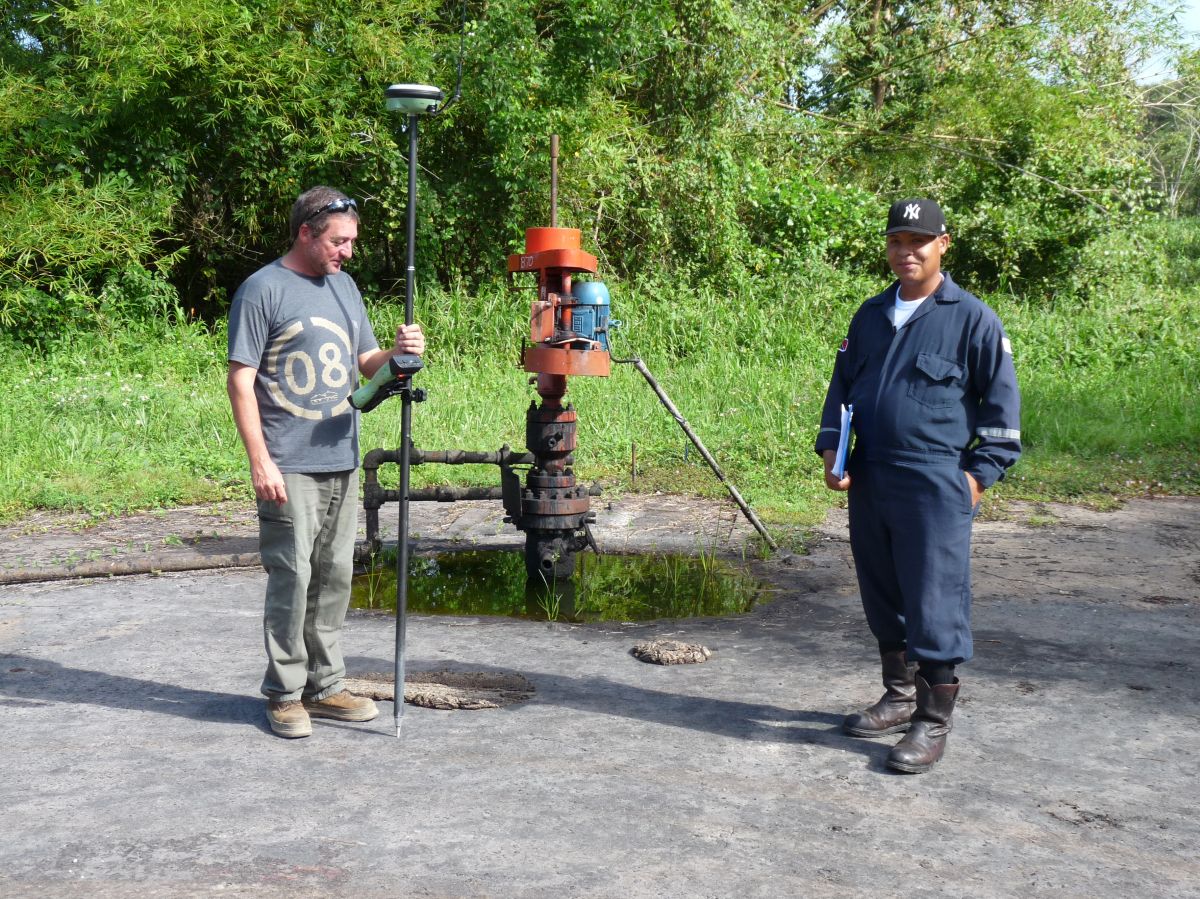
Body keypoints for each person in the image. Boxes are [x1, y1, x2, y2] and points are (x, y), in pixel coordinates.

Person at [815, 198, 1020, 773]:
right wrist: (835, 451)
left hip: (935, 480)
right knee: (883, 591)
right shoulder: (871, 315)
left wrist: (975, 481)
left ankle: (933, 721)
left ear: (942, 245)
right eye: (897, 241)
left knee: (933, 599)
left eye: (919, 241)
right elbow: (842, 391)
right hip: (873, 474)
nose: (907, 252)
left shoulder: (973, 319)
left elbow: (1002, 416)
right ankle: (900, 697)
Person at [227, 186, 426, 738]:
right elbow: (240, 381)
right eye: (339, 241)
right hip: (287, 461)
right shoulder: (262, 289)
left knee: (335, 576)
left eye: (353, 242)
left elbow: (366, 364)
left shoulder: (345, 288)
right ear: (306, 232)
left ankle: (326, 683)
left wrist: (399, 352)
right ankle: (284, 694)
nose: (348, 251)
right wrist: (260, 461)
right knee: (292, 577)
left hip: (341, 455)